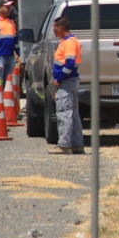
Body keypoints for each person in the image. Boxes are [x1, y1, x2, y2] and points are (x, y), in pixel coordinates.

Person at [48, 17, 84, 155]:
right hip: (71, 81)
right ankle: (77, 145)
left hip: (66, 82)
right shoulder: (69, 41)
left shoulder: (69, 43)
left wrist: (59, 79)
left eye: (54, 28)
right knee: (73, 114)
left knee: (64, 113)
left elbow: (69, 63)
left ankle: (64, 145)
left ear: (60, 28)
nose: (53, 30)